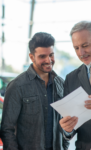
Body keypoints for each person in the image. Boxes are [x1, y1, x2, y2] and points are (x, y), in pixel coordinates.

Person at [0, 32, 69, 150]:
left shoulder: (61, 84)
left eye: (51, 55)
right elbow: (7, 129)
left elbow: (66, 122)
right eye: (42, 56)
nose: (49, 60)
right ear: (31, 57)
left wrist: (65, 146)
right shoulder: (17, 86)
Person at [59, 21, 91, 149]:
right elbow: (71, 127)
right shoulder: (71, 79)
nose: (81, 52)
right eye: (76, 48)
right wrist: (67, 129)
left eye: (85, 45)